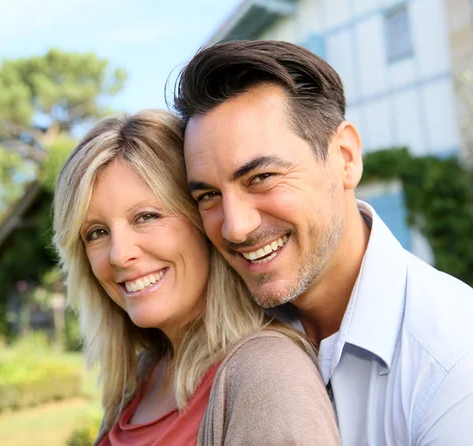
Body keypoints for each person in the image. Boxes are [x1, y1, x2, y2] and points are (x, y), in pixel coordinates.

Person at [174, 39, 473, 445]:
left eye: (261, 178)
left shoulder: (454, 362)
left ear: (345, 157)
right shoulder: (226, 330)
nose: (235, 228)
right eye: (208, 195)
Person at [52, 109, 340, 445]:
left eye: (146, 216)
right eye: (97, 232)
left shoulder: (268, 376)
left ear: (204, 222)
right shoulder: (145, 376)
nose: (119, 254)